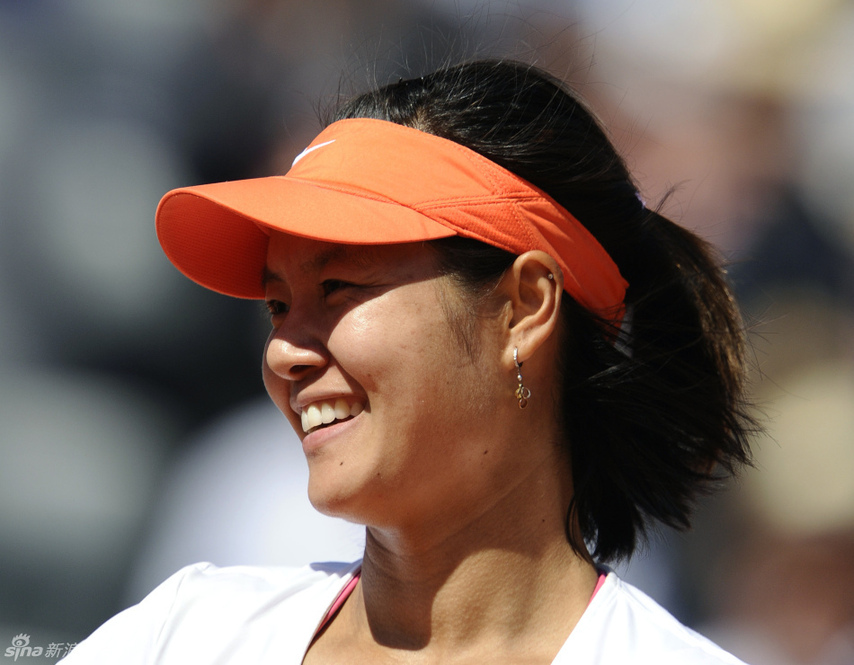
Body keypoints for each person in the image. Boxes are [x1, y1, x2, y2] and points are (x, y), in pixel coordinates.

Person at [62, 59, 754, 664]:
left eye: (337, 287)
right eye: (277, 305)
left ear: (524, 307)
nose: (282, 350)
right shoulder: (181, 634)